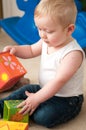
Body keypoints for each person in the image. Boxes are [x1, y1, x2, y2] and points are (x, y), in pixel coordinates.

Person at [0, 0, 85, 128]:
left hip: (66, 100)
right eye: (40, 29)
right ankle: (3, 106)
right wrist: (15, 50)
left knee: (44, 116)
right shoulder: (46, 41)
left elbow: (58, 82)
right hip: (43, 88)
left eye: (49, 31)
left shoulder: (73, 54)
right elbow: (31, 50)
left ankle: (32, 109)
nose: (43, 35)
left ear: (69, 29)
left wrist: (37, 99)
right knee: (23, 91)